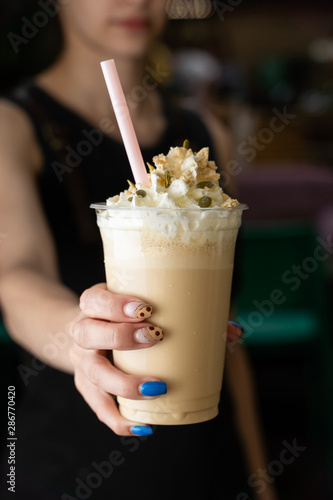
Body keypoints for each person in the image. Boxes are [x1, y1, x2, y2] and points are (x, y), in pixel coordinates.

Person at [0, 1, 278, 499]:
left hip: (208, 457)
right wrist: (80, 338)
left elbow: (228, 336)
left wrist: (261, 477)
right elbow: (16, 276)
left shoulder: (203, 136)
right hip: (67, 459)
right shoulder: (13, 125)